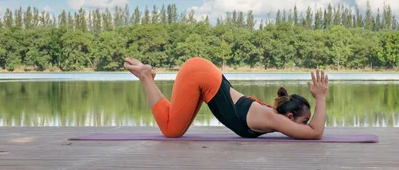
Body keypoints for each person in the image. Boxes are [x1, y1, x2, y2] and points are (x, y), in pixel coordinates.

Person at [123, 56, 328, 140]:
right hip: (199, 74)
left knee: (173, 127)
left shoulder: (274, 117)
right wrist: (321, 98)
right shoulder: (276, 119)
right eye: (304, 121)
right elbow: (316, 133)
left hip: (205, 77)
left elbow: (313, 130)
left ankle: (147, 78)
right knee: (170, 130)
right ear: (290, 116)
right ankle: (145, 77)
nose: (306, 125)